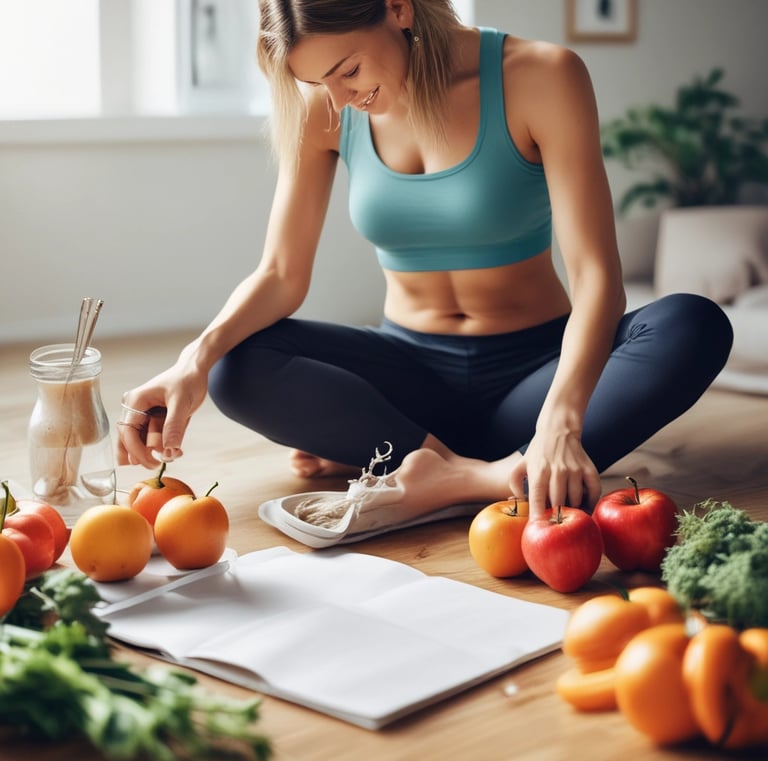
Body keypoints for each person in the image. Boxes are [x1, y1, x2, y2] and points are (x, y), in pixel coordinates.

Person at [117, 0, 733, 528]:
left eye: (348, 70)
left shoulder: (542, 75)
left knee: (693, 323)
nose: (340, 98)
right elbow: (281, 273)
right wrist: (190, 362)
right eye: (318, 83)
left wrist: (563, 422)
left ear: (399, 7)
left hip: (537, 377)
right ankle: (476, 475)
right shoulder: (328, 107)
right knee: (234, 363)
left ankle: (433, 464)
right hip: (410, 378)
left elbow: (597, 277)